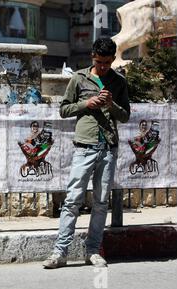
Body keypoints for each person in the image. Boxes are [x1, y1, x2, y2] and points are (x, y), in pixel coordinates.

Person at [43, 38, 130, 269]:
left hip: (108, 147)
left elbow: (125, 116)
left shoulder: (119, 81)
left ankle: (93, 251)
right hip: (84, 147)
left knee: (101, 203)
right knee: (72, 200)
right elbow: (64, 110)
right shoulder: (79, 78)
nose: (102, 66)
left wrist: (111, 104)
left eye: (107, 62)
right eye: (99, 62)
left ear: (113, 59)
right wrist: (87, 103)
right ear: (93, 56)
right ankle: (59, 253)